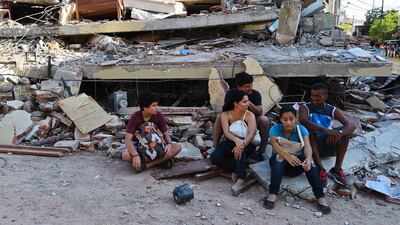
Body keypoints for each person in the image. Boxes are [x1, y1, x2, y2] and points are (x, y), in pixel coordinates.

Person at [263, 105, 330, 214]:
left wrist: (308, 159)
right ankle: (272, 194)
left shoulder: (302, 129)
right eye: (285, 119)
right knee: (278, 157)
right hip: (279, 165)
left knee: (311, 163)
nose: (288, 122)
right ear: (280, 120)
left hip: (296, 165)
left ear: (296, 118)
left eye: (291, 119)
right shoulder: (275, 129)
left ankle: (320, 197)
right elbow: (275, 146)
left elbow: (307, 146)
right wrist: (287, 155)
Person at [299, 83, 355, 187]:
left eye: (317, 96)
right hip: (310, 147)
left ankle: (336, 169)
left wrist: (338, 133)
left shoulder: (332, 110)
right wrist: (325, 130)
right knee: (311, 132)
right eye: (312, 95)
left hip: (327, 144)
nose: (313, 98)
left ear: (325, 97)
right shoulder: (305, 107)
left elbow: (351, 125)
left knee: (345, 134)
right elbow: (303, 121)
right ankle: (320, 169)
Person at [210, 89, 257, 195]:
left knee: (241, 151)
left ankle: (241, 177)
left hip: (247, 143)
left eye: (248, 101)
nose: (247, 104)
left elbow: (252, 133)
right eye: (244, 102)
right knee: (214, 157)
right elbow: (226, 132)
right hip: (232, 141)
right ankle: (241, 167)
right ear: (236, 103)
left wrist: (242, 144)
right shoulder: (225, 115)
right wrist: (237, 141)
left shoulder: (250, 115)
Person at [213, 72, 270, 158]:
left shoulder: (255, 94)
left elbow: (259, 112)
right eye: (247, 86)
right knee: (219, 117)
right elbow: (225, 110)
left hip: (251, 121)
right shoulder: (231, 94)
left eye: (251, 85)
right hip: (234, 120)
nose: (250, 88)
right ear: (239, 87)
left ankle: (261, 151)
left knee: (264, 120)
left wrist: (248, 102)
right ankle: (215, 147)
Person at [123, 92, 181, 172]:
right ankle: (160, 162)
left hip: (158, 146)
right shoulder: (135, 117)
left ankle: (147, 165)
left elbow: (166, 134)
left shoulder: (158, 116)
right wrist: (135, 155)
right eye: (154, 105)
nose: (157, 108)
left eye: (157, 105)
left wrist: (169, 144)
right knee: (125, 156)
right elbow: (127, 140)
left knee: (177, 147)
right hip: (142, 147)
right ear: (145, 107)